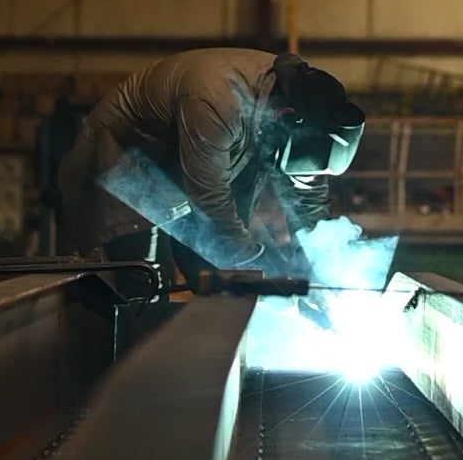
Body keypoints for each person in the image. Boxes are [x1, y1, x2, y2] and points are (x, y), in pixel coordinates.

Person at [57, 48, 365, 293]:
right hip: (128, 158)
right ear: (284, 117)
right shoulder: (217, 100)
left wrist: (323, 275)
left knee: (217, 272)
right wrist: (264, 271)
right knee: (143, 280)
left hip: (201, 159)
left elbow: (307, 202)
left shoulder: (305, 108)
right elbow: (211, 203)